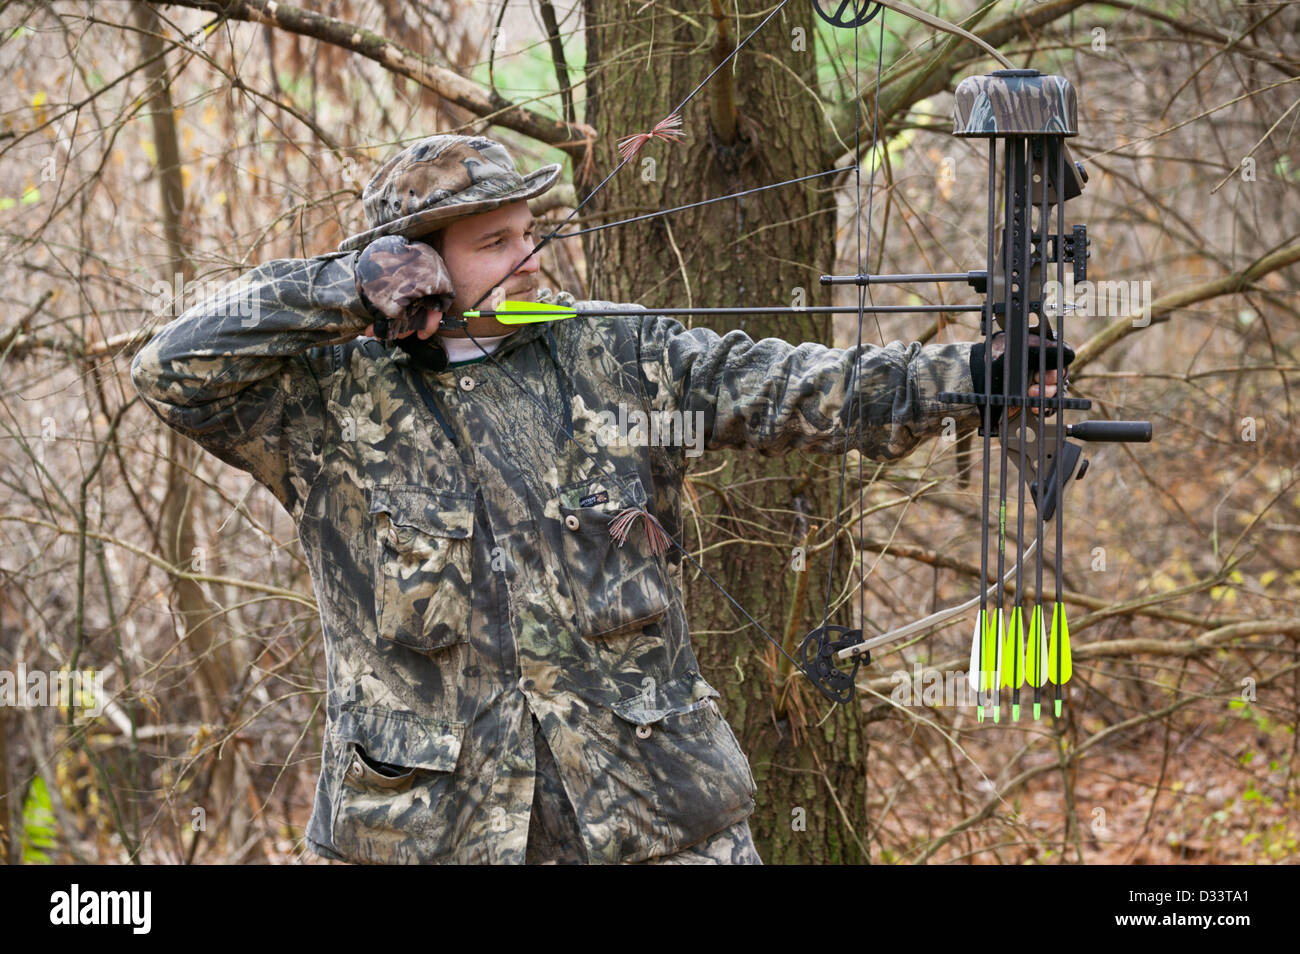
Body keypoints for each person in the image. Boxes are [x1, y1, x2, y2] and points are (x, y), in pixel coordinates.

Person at [130, 134, 1067, 864]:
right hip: (430, 831)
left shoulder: (616, 357)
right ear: (412, 264)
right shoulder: (325, 401)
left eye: (531, 232)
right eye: (495, 242)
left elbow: (792, 387)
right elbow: (171, 371)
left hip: (654, 810)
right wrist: (343, 289)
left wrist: (974, 375)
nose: (530, 258)